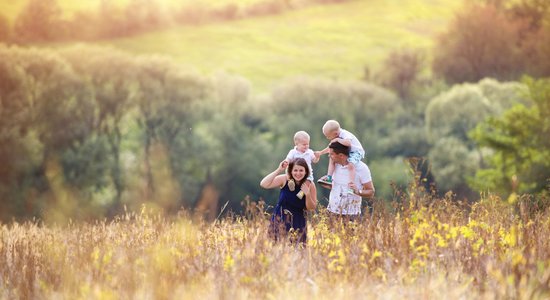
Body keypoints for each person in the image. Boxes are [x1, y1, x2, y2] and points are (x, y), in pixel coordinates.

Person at [260, 158, 317, 244]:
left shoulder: (309, 184)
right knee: (276, 248)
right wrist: (279, 170)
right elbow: (264, 184)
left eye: (301, 170)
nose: (298, 173)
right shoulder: (285, 179)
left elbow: (312, 208)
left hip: (298, 220)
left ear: (306, 171)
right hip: (280, 218)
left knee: (298, 250)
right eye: (295, 170)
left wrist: (307, 194)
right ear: (291, 170)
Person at [322, 141, 374, 220]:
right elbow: (337, 187)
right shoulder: (334, 166)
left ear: (341, 156)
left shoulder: (362, 168)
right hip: (331, 213)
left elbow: (371, 191)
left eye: (332, 154)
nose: (329, 156)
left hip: (352, 215)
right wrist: (326, 183)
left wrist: (358, 191)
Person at [316, 120, 366, 194]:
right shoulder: (336, 136)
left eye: (328, 136)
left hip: (356, 152)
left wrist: (337, 140)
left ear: (335, 133)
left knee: (350, 164)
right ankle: (329, 178)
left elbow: (348, 143)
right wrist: (320, 153)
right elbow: (330, 147)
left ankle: (351, 185)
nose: (328, 138)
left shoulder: (344, 134)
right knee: (331, 157)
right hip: (347, 151)